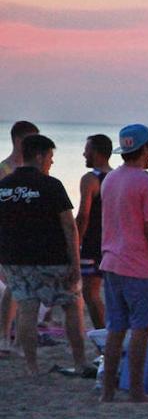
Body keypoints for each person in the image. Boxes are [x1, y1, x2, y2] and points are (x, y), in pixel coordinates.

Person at [0, 134, 87, 376]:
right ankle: (80, 361)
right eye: (50, 157)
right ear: (39, 156)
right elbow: (70, 226)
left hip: (16, 259)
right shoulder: (51, 185)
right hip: (52, 258)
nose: (51, 162)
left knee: (27, 307)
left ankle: (32, 366)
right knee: (72, 305)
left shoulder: (4, 186)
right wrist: (76, 264)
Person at [99, 123, 148, 402]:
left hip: (111, 262)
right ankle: (136, 390)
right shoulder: (147, 183)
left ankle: (107, 391)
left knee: (116, 328)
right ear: (145, 148)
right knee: (142, 328)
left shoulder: (110, 179)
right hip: (137, 265)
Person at [0, 120, 40, 353]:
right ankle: (5, 336)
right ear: (19, 141)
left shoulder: (35, 169)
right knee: (14, 287)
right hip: (10, 237)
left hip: (30, 236)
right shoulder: (4, 170)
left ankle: (16, 337)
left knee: (23, 289)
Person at [75, 134, 113, 329]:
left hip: (92, 243)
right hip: (114, 243)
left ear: (97, 153)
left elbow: (83, 215)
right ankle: (111, 334)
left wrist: (76, 241)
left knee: (90, 294)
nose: (84, 154)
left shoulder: (91, 179)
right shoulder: (116, 177)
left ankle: (105, 335)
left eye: (87, 150)